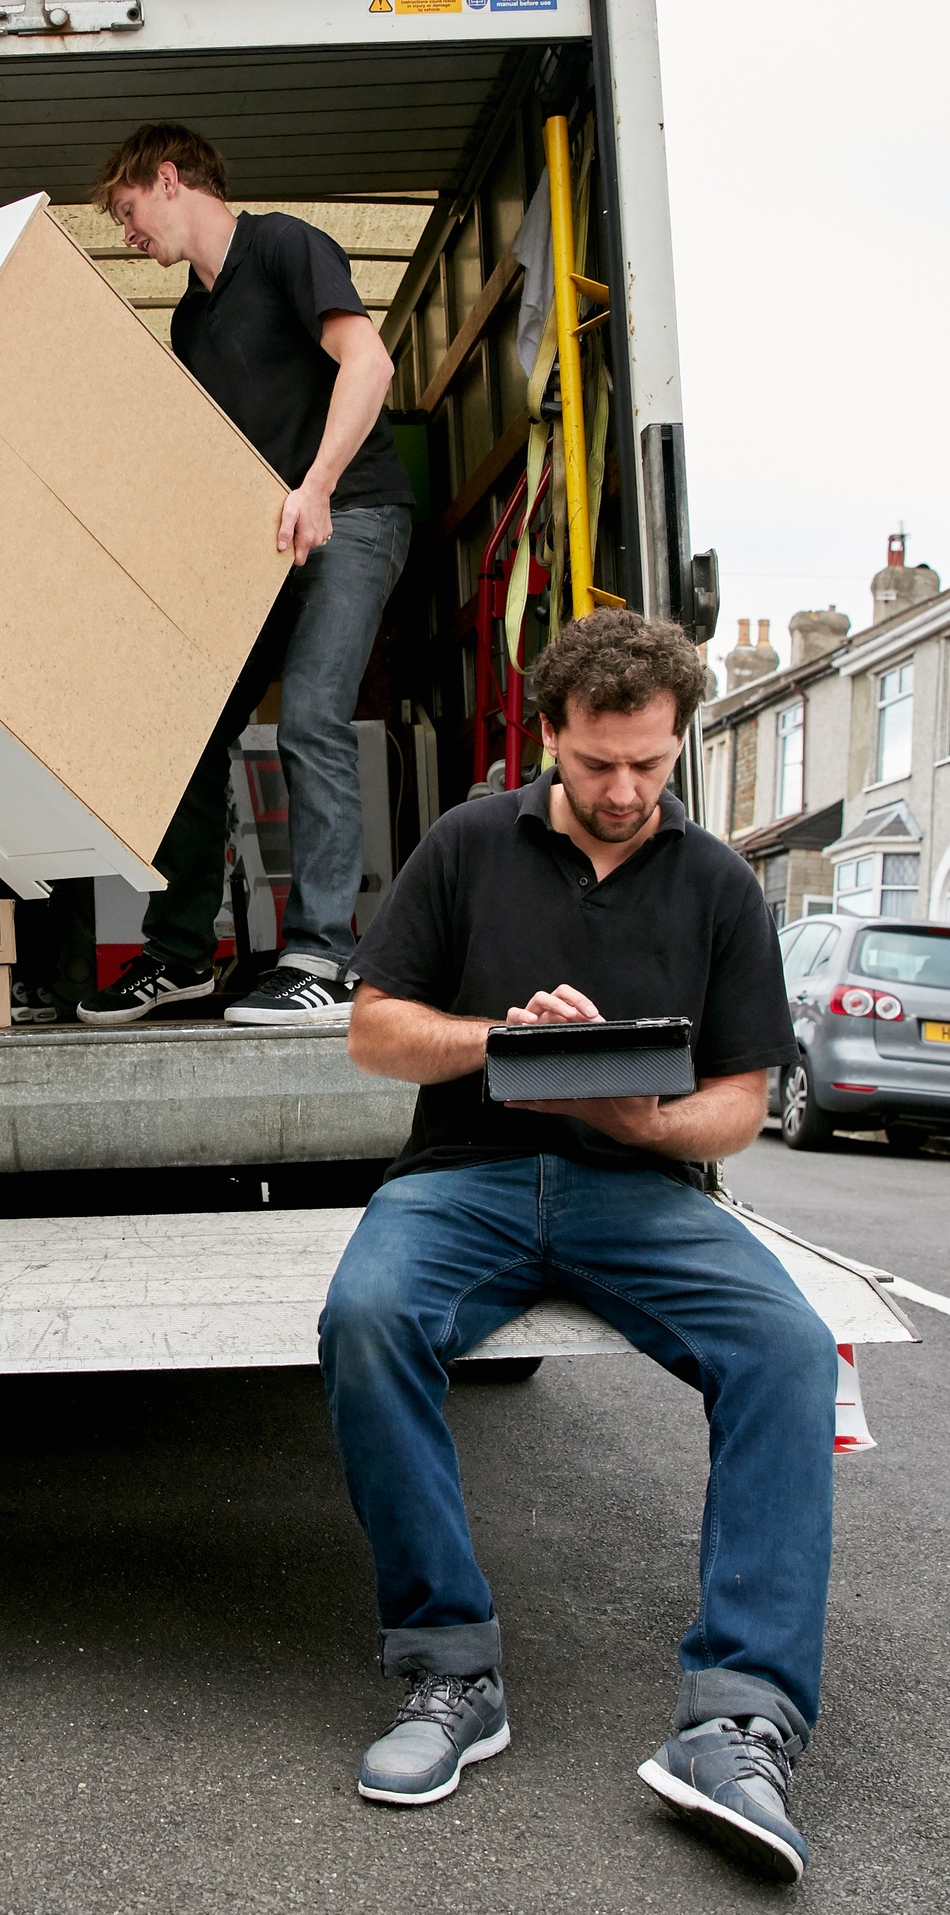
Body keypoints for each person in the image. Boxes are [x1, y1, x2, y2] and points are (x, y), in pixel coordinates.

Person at [321, 610, 831, 1883]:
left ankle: (739, 1716)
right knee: (366, 1318)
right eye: (598, 762)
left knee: (787, 1348)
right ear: (548, 735)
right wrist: (511, 1043)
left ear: (677, 744)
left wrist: (638, 1114)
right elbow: (374, 1032)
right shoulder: (465, 846)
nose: (622, 790)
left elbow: (739, 1107)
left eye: (649, 765)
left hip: (641, 1189)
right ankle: (448, 1673)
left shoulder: (715, 882)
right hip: (464, 1176)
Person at [76, 123, 415, 1028]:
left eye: (128, 208)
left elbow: (368, 362)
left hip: (354, 515)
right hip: (267, 539)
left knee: (310, 714)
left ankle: (324, 956)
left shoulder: (284, 248)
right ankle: (181, 953)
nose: (127, 231)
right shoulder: (191, 319)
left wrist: (316, 487)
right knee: (189, 728)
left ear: (171, 177)